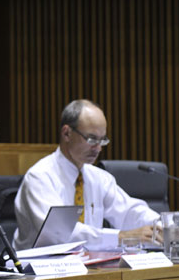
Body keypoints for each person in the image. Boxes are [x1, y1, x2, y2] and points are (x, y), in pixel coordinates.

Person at [13, 99, 158, 251]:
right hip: (37, 269)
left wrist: (163, 227)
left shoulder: (99, 178)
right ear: (67, 133)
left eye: (102, 140)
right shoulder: (40, 177)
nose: (98, 148)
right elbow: (60, 235)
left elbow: (129, 212)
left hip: (88, 267)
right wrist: (120, 237)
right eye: (91, 139)